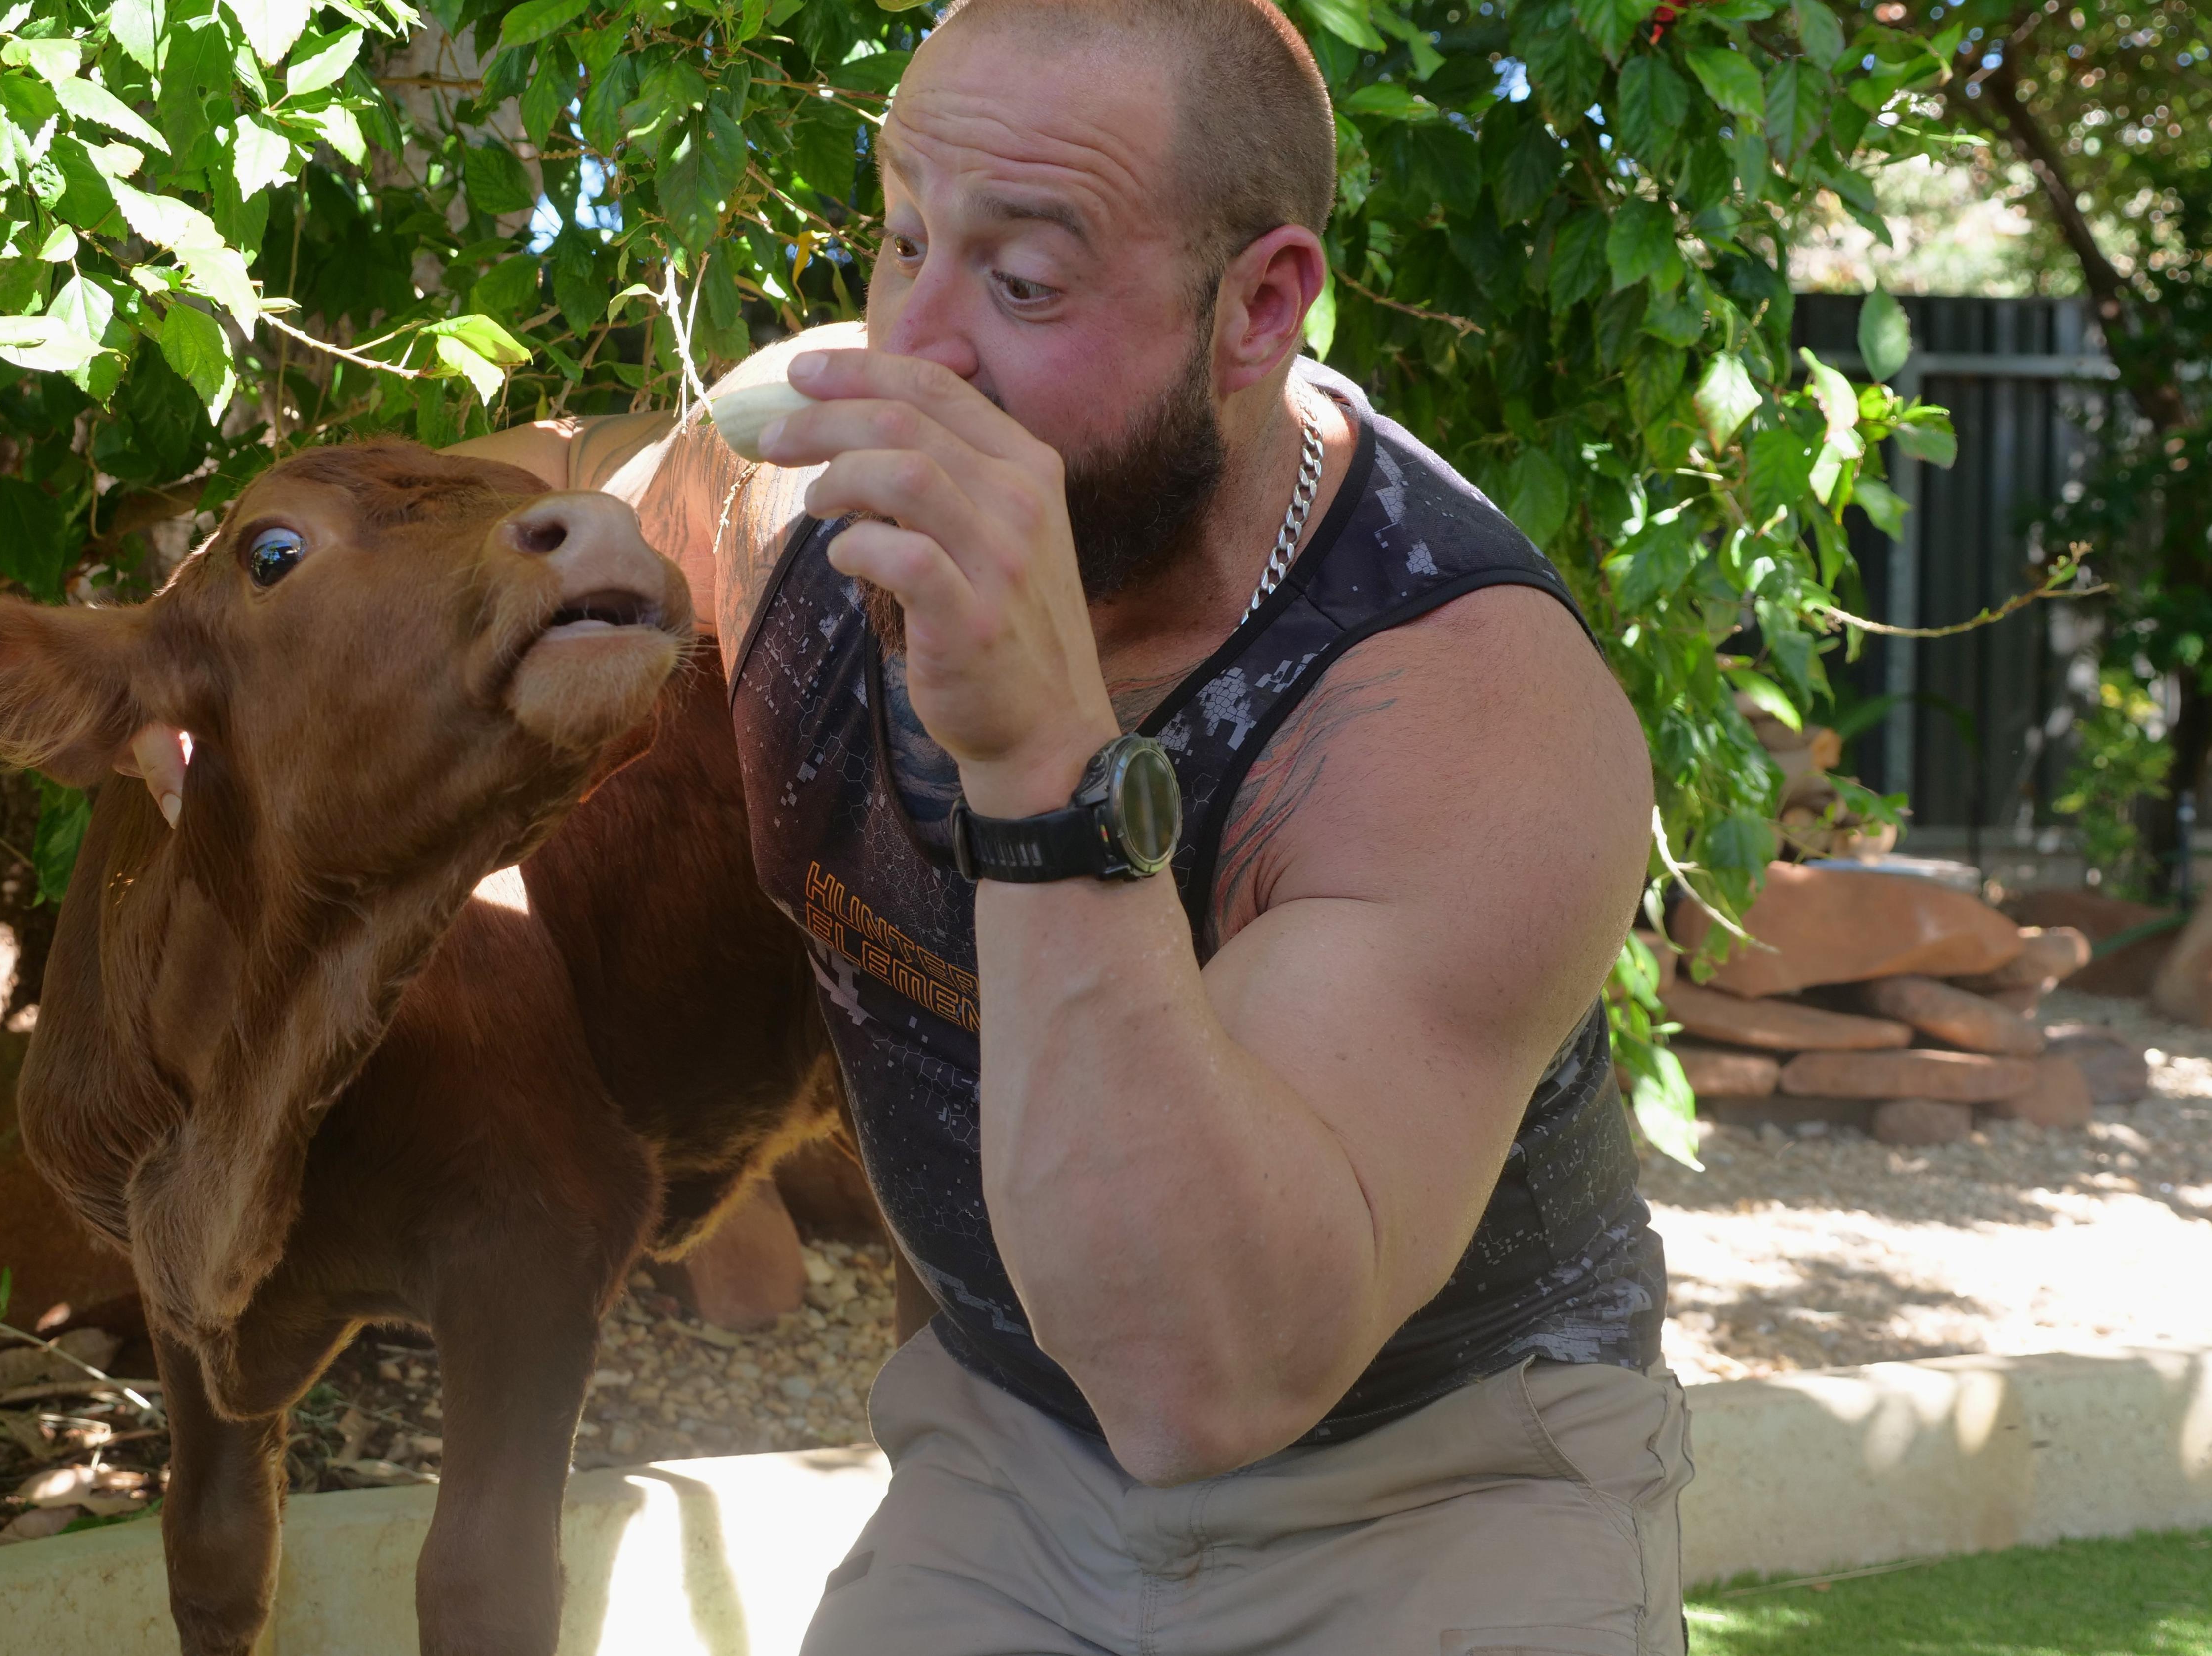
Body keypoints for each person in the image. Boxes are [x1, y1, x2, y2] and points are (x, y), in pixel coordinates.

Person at [132, 1, 1685, 1648]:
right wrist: (262, 651)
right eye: (901, 236)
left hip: (1435, 1489)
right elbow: (587, 489)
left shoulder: (1452, 713)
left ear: (1259, 307)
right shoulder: (790, 499)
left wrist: (1041, 767)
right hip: (1006, 1457)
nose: (911, 351)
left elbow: (1202, 1382)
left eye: (1022, 286)